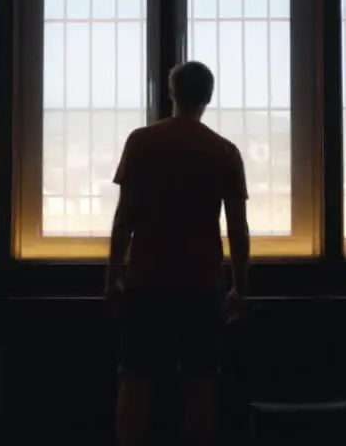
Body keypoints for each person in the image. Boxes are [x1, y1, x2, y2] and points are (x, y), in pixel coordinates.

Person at [104, 61, 250, 446]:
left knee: (135, 381)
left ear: (171, 91)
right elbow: (237, 228)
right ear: (208, 97)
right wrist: (240, 288)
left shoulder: (141, 142)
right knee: (201, 386)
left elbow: (124, 220)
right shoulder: (224, 151)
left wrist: (112, 277)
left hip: (147, 279)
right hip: (203, 284)